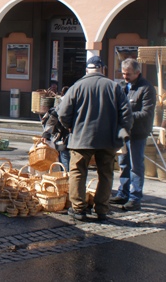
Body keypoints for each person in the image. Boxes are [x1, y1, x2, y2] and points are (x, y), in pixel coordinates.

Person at [58, 56, 133, 221]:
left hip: (81, 138)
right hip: (108, 139)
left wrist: (70, 127)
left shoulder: (76, 87)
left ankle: (78, 209)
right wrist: (121, 132)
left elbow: (62, 113)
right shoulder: (114, 87)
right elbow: (127, 115)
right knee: (105, 174)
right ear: (102, 69)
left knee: (78, 172)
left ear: (87, 70)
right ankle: (102, 209)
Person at [110, 58, 156, 211]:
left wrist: (127, 115)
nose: (125, 76)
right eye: (123, 73)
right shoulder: (123, 87)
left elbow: (146, 113)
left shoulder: (147, 88)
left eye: (128, 74)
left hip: (138, 133)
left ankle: (135, 198)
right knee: (123, 163)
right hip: (124, 132)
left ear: (137, 73)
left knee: (136, 166)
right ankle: (123, 193)